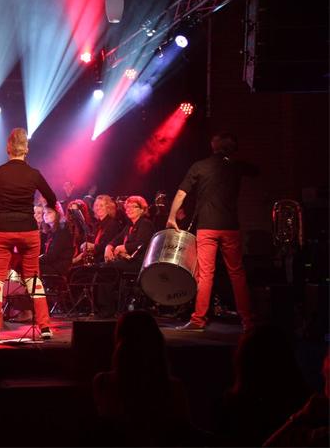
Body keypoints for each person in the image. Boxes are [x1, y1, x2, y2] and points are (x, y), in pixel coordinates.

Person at [167, 132, 257, 332]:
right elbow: (255, 170)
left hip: (207, 227)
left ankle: (198, 320)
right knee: (237, 273)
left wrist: (172, 216)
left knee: (206, 274)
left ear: (213, 145)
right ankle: (247, 320)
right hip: (230, 227)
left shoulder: (199, 166)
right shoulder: (235, 166)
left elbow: (181, 193)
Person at [0, 128, 57, 341]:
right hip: (28, 230)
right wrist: (48, 207)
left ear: (8, 148)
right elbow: (51, 197)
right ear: (26, 149)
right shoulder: (34, 174)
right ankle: (45, 327)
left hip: (2, 229)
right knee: (33, 278)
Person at [92, 310, 194, 446]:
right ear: (157, 340)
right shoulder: (174, 387)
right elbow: (184, 433)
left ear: (119, 339)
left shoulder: (103, 382)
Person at [104, 195, 155, 272]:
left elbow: (142, 244)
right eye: (127, 207)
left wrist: (123, 247)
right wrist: (108, 247)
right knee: (104, 265)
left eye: (134, 206)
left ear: (142, 210)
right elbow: (117, 239)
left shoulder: (145, 223)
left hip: (140, 263)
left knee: (106, 267)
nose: (129, 209)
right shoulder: (129, 226)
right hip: (130, 261)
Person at [78, 194, 122, 265]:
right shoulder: (97, 225)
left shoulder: (113, 224)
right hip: (96, 261)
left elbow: (109, 245)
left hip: (106, 263)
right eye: (96, 205)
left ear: (108, 208)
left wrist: (92, 246)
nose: (98, 208)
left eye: (101, 205)